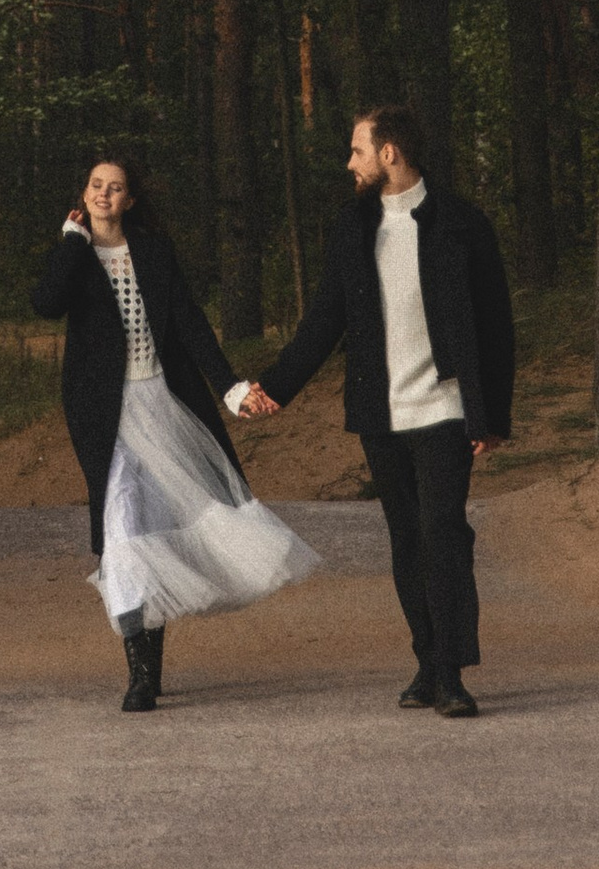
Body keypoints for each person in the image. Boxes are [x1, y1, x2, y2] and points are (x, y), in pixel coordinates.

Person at [230, 103, 515, 716]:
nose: (349, 163)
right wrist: (276, 387)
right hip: (381, 417)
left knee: (445, 537)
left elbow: (495, 325)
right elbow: (324, 319)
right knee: (407, 542)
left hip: (443, 409)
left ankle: (452, 673)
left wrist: (491, 418)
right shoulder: (353, 229)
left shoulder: (462, 224)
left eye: (357, 150)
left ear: (390, 153)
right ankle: (426, 660)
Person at [32, 149, 322, 713]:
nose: (103, 195)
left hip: (161, 403)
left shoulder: (155, 253)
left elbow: (189, 324)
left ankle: (150, 671)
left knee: (155, 527)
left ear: (130, 200)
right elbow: (46, 304)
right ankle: (138, 672)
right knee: (120, 524)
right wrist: (73, 242)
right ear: (84, 193)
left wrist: (231, 387)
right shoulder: (73, 253)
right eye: (95, 185)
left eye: (114, 188)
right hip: (104, 416)